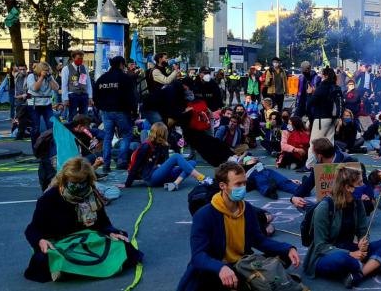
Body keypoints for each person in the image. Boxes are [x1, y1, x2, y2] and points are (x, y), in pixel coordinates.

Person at [177, 162, 301, 291]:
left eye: (244, 183)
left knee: (284, 256)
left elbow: (259, 240)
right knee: (206, 280)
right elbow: (198, 256)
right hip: (217, 267)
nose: (243, 187)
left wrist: (287, 248)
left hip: (241, 264)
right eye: (238, 184)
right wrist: (220, 267)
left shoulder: (246, 209)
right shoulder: (204, 215)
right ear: (223, 186)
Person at [24, 157, 143, 282]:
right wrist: (40, 241)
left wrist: (111, 232)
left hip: (87, 239)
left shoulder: (92, 195)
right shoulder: (49, 198)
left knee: (122, 245)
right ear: (64, 180)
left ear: (89, 180)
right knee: (45, 258)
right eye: (73, 183)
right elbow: (32, 229)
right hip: (59, 243)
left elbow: (103, 222)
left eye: (82, 182)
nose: (79, 187)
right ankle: (69, 268)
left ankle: (70, 271)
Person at [303, 166, 381, 288]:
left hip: (352, 249)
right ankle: (373, 264)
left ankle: (359, 274)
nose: (364, 186)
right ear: (348, 187)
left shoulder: (357, 201)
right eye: (359, 183)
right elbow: (320, 246)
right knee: (344, 260)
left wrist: (363, 241)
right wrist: (350, 254)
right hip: (327, 255)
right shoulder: (324, 207)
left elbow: (363, 230)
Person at [123, 122, 211, 191]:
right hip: (151, 178)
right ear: (162, 133)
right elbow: (135, 165)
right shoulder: (146, 146)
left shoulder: (161, 145)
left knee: (192, 162)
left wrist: (164, 153)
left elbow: (164, 162)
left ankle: (176, 183)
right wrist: (127, 184)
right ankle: (201, 178)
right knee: (176, 156)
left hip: (161, 174)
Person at [291, 138, 363, 209]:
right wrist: (294, 197)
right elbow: (308, 184)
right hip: (328, 204)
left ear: (319, 156)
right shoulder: (318, 165)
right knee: (300, 203)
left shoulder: (349, 160)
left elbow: (363, 183)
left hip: (348, 201)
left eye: (314, 154)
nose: (314, 157)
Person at [94, 56, 137, 173]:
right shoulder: (125, 78)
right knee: (126, 135)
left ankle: (106, 164)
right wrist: (135, 111)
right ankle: (121, 160)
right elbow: (131, 96)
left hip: (106, 112)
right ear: (121, 64)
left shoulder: (102, 78)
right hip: (122, 111)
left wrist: (100, 108)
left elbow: (95, 96)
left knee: (108, 137)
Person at [307, 66, 342, 166]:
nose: (321, 77)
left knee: (314, 143)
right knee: (329, 143)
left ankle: (310, 165)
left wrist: (310, 94)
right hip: (333, 118)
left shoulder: (322, 87)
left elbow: (311, 103)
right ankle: (329, 163)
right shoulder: (336, 87)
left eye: (322, 75)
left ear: (325, 76)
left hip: (321, 118)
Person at [26, 61, 60, 147]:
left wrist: (50, 78)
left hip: (46, 103)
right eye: (45, 70)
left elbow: (56, 88)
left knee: (51, 125)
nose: (46, 72)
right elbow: (35, 88)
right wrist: (41, 77)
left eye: (47, 70)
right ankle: (36, 148)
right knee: (36, 127)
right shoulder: (31, 76)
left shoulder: (49, 77)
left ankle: (50, 148)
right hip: (33, 102)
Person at [61, 50, 93, 121]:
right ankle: (72, 131)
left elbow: (88, 83)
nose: (80, 60)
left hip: (83, 95)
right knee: (72, 116)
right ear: (73, 58)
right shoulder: (66, 69)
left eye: (81, 58)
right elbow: (64, 85)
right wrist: (65, 99)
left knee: (84, 116)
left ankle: (83, 130)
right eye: (78, 58)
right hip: (72, 95)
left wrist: (90, 96)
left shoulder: (84, 68)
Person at [13, 64, 31, 140]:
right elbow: (13, 71)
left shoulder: (29, 77)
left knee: (22, 118)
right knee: (21, 118)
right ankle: (21, 134)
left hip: (27, 100)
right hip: (19, 101)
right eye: (20, 69)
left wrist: (22, 96)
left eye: (23, 69)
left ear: (26, 69)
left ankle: (20, 134)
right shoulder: (17, 76)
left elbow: (30, 90)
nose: (22, 71)